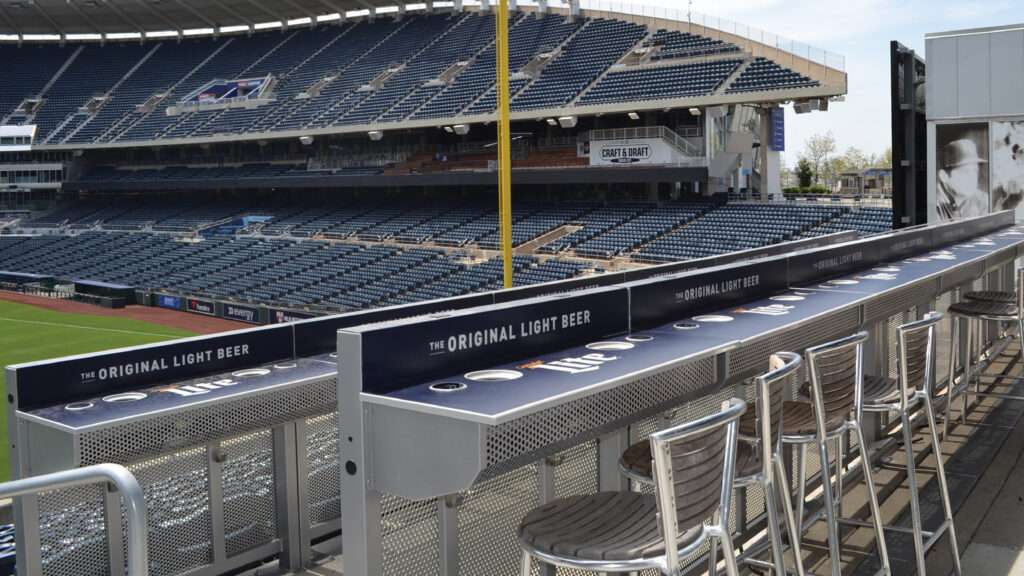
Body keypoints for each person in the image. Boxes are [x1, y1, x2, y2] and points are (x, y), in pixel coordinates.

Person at [936, 138, 988, 220]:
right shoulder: (934, 204)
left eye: (974, 171)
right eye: (965, 172)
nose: (972, 178)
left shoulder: (982, 199)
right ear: (944, 176)